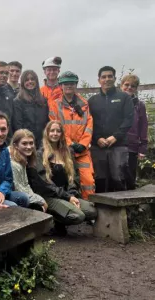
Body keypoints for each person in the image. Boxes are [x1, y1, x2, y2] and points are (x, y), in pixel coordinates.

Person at [27, 121, 97, 235]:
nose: (55, 134)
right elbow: (44, 183)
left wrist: (72, 194)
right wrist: (68, 197)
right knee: (78, 216)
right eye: (52, 131)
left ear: (62, 134)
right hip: (49, 196)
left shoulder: (68, 152)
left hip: (66, 195)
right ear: (47, 133)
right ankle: (53, 221)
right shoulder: (39, 154)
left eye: (58, 131)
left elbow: (74, 177)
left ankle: (63, 213)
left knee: (92, 211)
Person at [49, 71, 95, 199]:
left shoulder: (84, 104)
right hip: (63, 150)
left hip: (82, 151)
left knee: (88, 182)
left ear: (76, 85)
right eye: (66, 84)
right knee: (67, 182)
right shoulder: (55, 105)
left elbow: (89, 126)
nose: (69, 86)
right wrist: (70, 144)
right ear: (61, 86)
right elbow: (55, 127)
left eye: (72, 83)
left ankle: (89, 208)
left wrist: (83, 144)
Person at [88, 66, 134, 192]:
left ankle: (124, 210)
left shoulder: (124, 98)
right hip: (98, 146)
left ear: (114, 78)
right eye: (103, 77)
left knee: (119, 177)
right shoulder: (92, 101)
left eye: (110, 76)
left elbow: (128, 119)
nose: (107, 79)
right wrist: (97, 138)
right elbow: (89, 123)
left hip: (118, 145)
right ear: (99, 80)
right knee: (100, 179)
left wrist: (115, 136)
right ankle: (102, 210)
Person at [9, 129, 48, 211]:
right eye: (24, 143)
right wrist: (40, 201)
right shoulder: (14, 164)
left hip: (23, 195)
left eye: (31, 143)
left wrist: (38, 199)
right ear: (16, 145)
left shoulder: (22, 159)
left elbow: (25, 184)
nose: (29, 147)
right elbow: (18, 188)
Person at [120, 74, 148, 189]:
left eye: (133, 86)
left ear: (136, 89)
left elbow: (143, 126)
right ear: (121, 86)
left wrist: (143, 147)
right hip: (116, 144)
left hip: (132, 146)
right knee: (117, 175)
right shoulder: (115, 102)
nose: (129, 87)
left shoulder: (139, 105)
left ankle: (131, 205)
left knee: (130, 175)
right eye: (126, 85)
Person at [13, 70, 49, 149]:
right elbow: (18, 125)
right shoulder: (18, 101)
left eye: (32, 79)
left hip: (43, 143)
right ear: (22, 83)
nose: (30, 81)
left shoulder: (43, 101)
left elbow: (47, 122)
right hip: (26, 144)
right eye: (27, 80)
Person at [0, 61, 15, 136]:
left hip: (6, 138)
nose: (4, 75)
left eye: (6, 73)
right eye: (0, 73)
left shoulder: (11, 94)